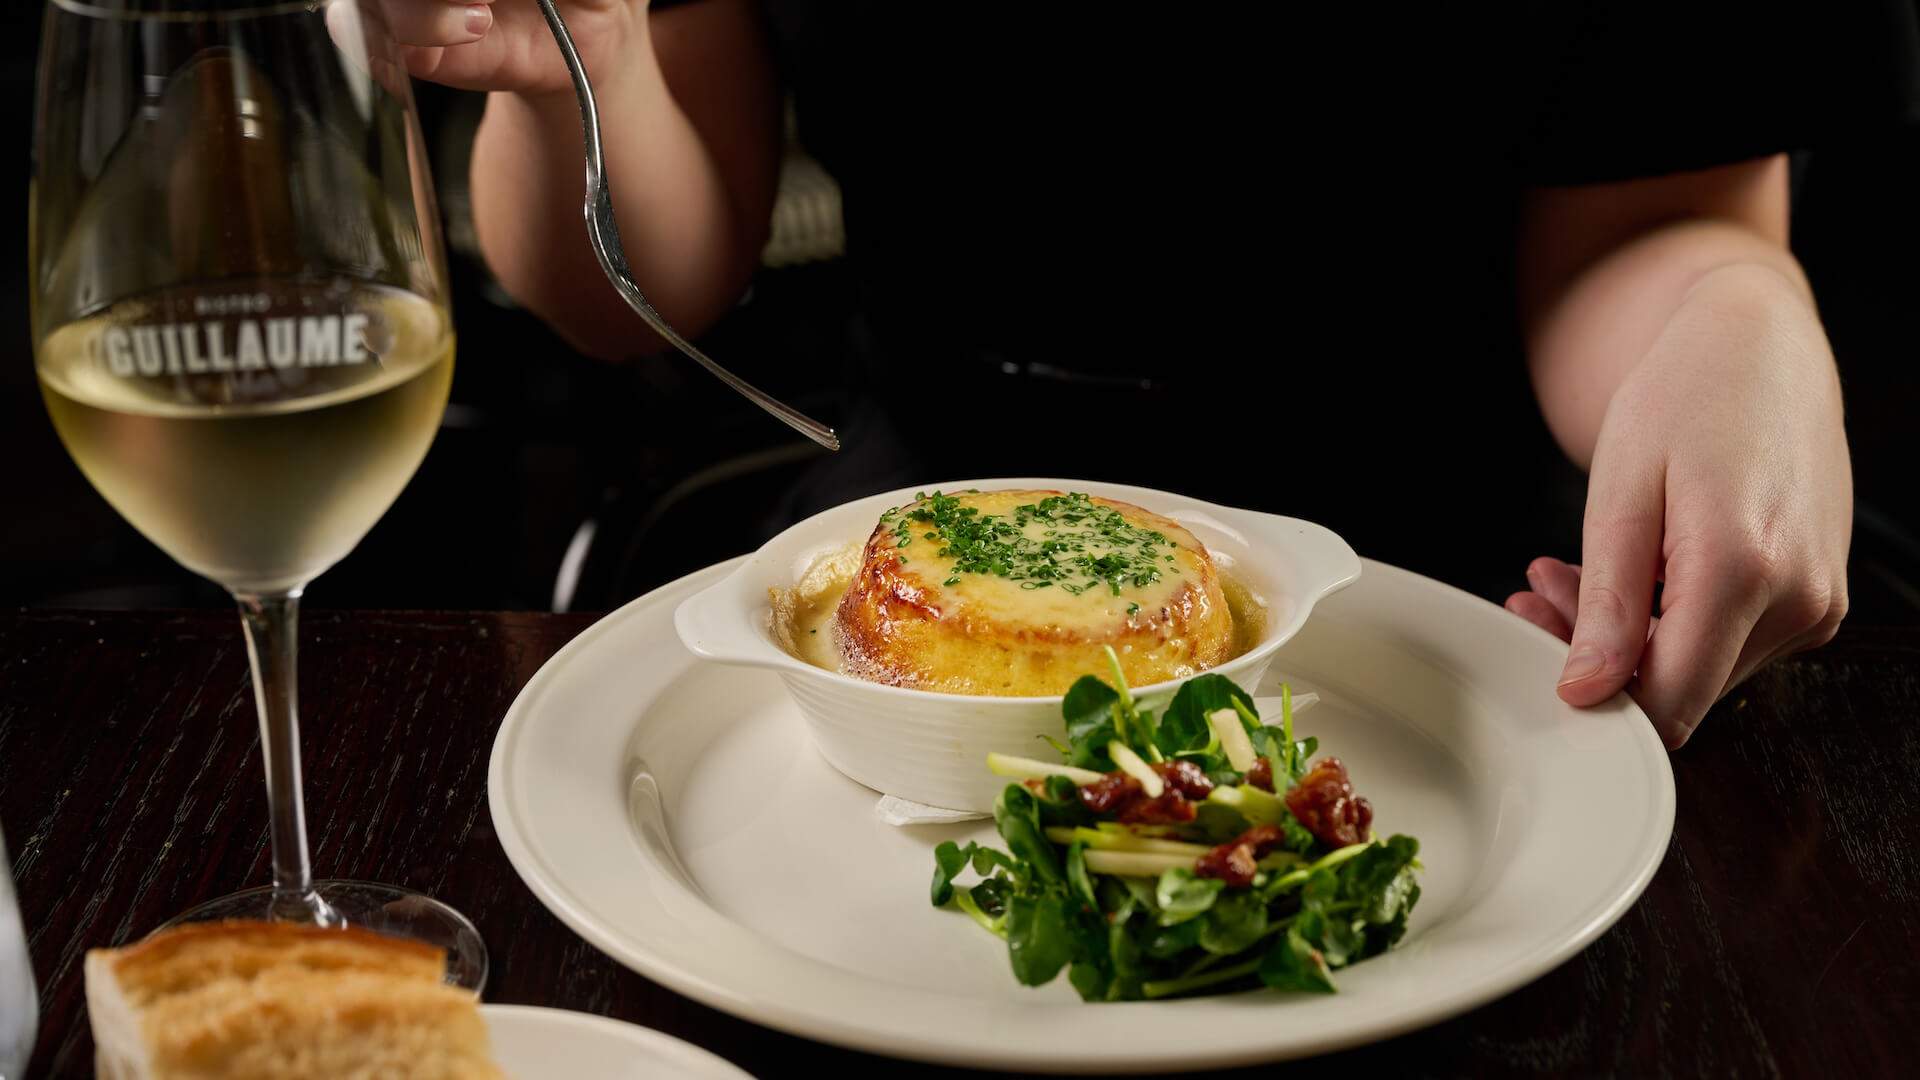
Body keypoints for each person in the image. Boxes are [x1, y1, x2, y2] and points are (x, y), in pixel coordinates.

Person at [374, 0, 1917, 749]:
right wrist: (575, 61)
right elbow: (649, 268)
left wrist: (1734, 314)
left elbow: (1652, 223)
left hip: (1457, 592)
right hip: (909, 534)